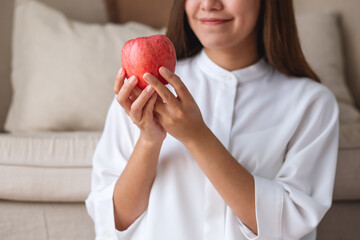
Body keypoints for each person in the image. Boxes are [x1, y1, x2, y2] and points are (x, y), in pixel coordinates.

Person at [85, 0, 339, 239]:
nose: (208, 4)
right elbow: (113, 221)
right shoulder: (144, 91)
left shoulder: (312, 103)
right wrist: (149, 140)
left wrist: (197, 137)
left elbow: (288, 225)